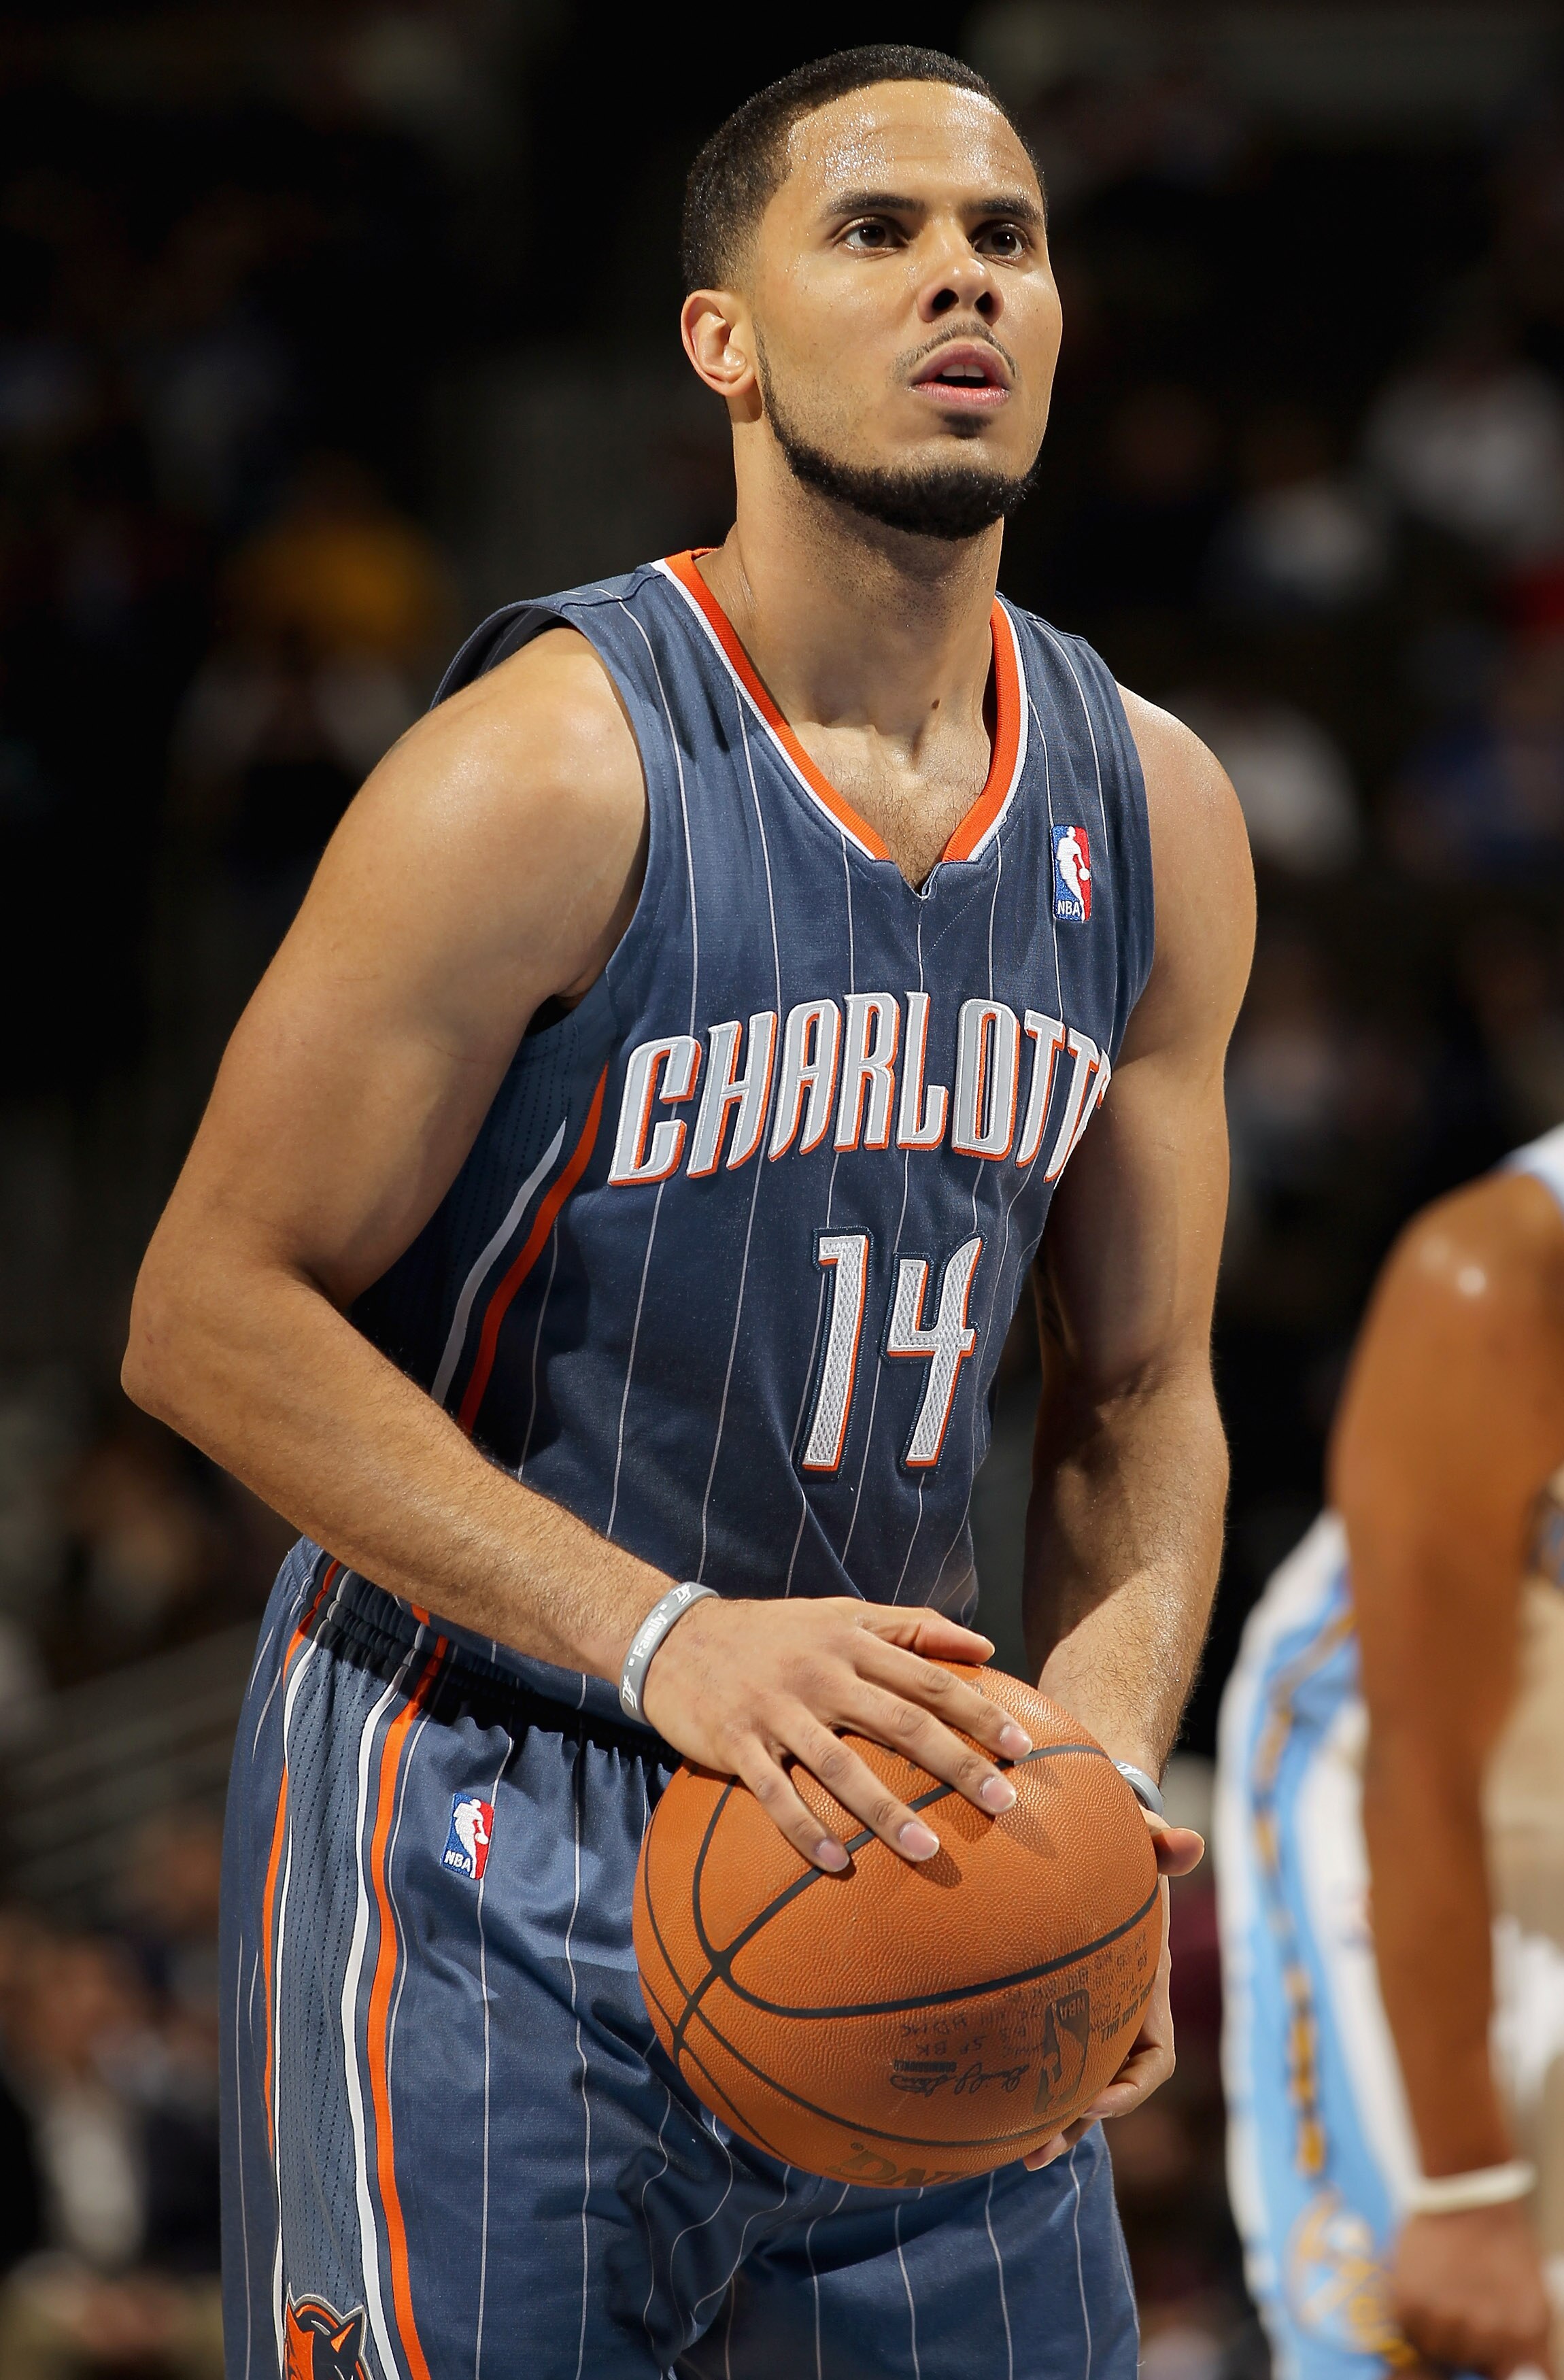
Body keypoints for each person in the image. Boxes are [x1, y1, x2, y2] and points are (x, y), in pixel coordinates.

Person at [124, 44, 1252, 2380]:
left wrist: (1094, 1778)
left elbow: (1143, 1390)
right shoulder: (542, 770)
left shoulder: (1151, 808)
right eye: (878, 231)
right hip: (483, 1815)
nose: (963, 279)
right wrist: (667, 1639)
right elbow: (207, 1310)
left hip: (901, 1817)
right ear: (719, 342)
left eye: (1008, 238)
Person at [1217, 1125, 1564, 2380]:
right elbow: (1425, 1762)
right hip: (1381, 1789)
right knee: (1437, 2331)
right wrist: (1464, 2191)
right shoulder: (1497, 1280)